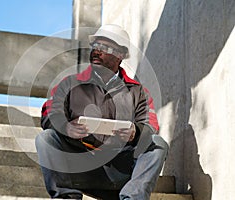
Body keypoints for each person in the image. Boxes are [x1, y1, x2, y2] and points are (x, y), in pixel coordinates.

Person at [35, 24, 168, 200]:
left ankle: (133, 197)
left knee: (157, 143)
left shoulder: (138, 92)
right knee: (46, 138)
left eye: (104, 48)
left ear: (120, 55)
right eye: (95, 47)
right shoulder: (68, 84)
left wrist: (135, 132)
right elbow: (49, 113)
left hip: (119, 172)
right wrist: (66, 127)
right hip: (80, 168)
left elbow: (150, 125)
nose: (96, 52)